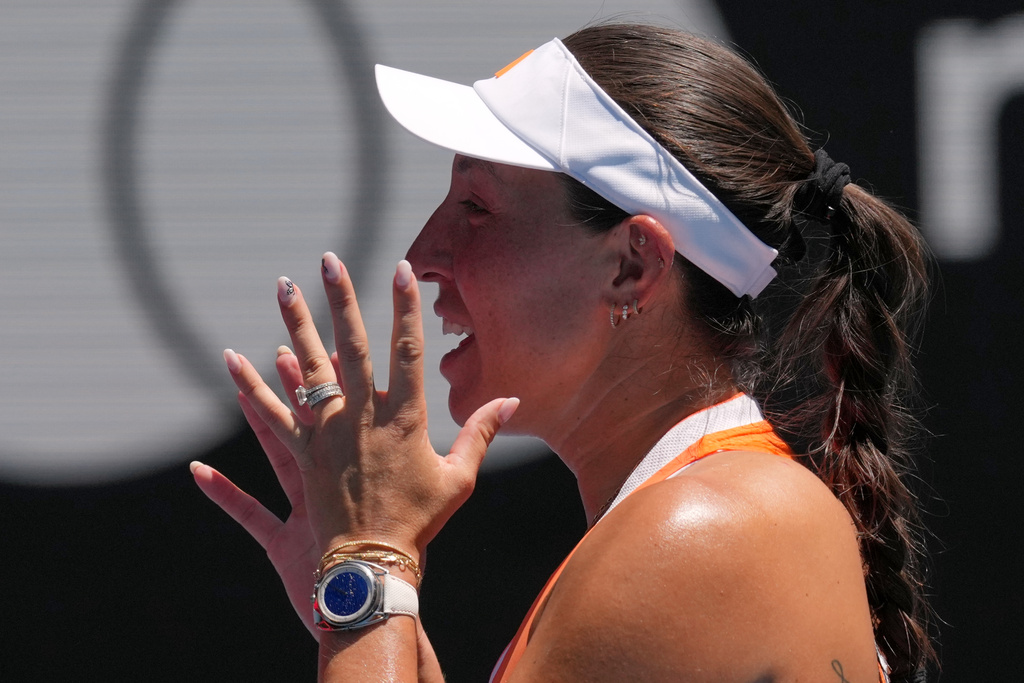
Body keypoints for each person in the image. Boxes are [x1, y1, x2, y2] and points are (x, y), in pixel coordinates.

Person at [191, 23, 935, 682]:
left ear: (631, 266)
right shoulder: (715, 509)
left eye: (476, 208)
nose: (423, 253)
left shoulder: (709, 526)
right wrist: (368, 604)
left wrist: (365, 563)